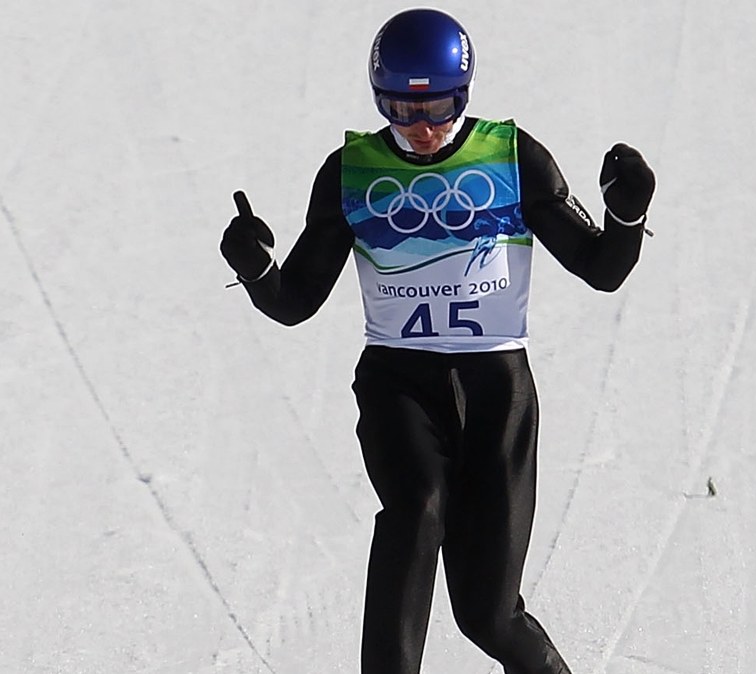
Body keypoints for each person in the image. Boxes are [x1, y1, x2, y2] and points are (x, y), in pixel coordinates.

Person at [220, 8, 655, 674]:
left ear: (466, 92)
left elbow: (602, 268)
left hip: (497, 397)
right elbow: (295, 301)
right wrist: (254, 268)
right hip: (400, 385)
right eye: (401, 109)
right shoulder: (352, 173)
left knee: (488, 613)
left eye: (440, 107)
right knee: (415, 508)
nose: (422, 129)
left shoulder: (513, 160)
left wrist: (626, 213)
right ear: (378, 100)